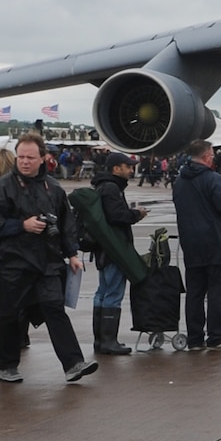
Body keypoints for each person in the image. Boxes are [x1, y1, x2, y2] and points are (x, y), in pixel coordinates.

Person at [0, 133, 95, 384]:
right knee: (10, 315)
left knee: (54, 308)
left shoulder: (54, 188)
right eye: (21, 157)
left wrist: (72, 253)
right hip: (11, 263)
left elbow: (66, 223)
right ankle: (7, 365)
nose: (25, 162)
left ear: (43, 159)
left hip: (46, 262)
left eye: (30, 157)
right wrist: (20, 226)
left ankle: (73, 363)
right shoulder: (0, 189)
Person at [173, 137, 221, 350]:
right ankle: (217, 336)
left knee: (194, 293)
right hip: (216, 242)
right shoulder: (214, 180)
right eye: (212, 155)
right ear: (206, 156)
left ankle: (194, 338)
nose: (214, 158)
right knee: (217, 292)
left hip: (192, 243)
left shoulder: (179, 181)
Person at [84, 151, 145, 356]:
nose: (131, 169)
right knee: (112, 293)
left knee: (102, 292)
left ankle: (101, 341)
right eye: (127, 166)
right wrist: (137, 214)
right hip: (113, 248)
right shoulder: (111, 188)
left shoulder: (102, 185)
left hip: (104, 249)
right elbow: (116, 216)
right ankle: (109, 341)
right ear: (116, 168)